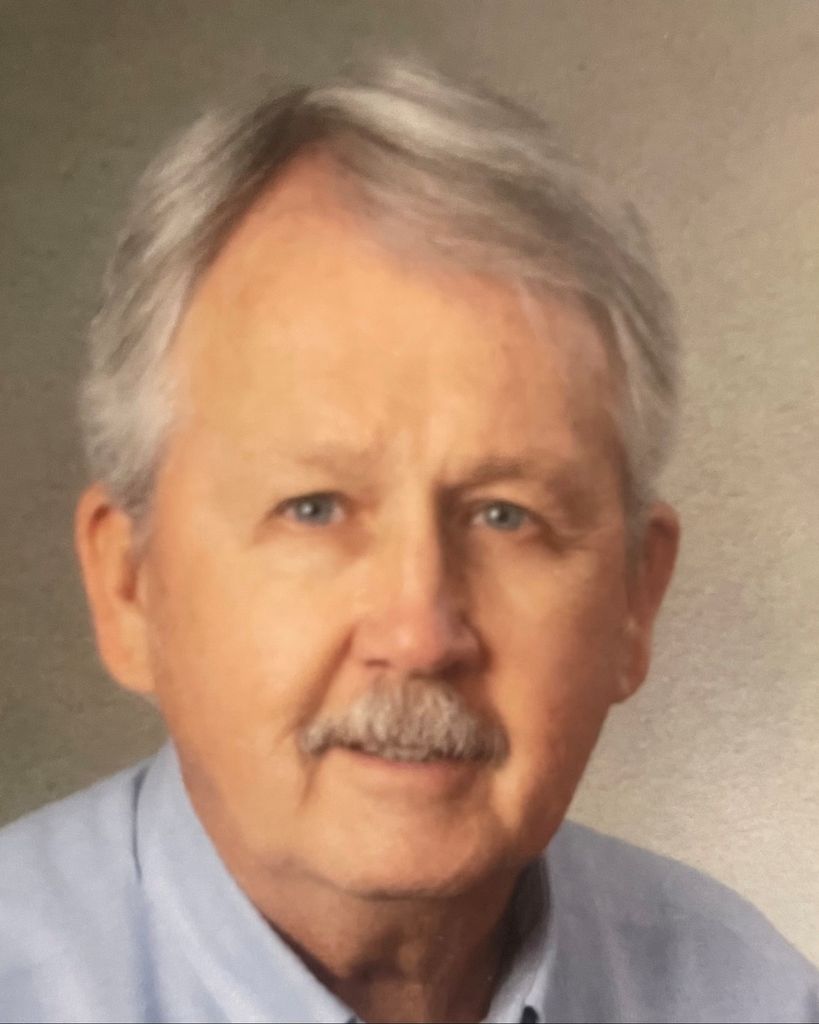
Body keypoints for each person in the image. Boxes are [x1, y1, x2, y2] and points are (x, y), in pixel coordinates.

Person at [0, 57, 815, 1024]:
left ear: (636, 601)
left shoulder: (754, 998)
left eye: (505, 516)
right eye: (314, 508)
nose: (420, 634)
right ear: (128, 586)